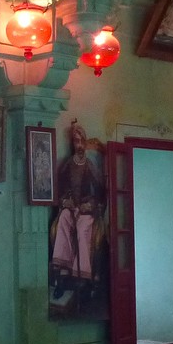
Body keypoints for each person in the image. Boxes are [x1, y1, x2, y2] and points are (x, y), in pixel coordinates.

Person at [50, 122, 105, 302]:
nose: (79, 145)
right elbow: (59, 190)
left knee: (82, 230)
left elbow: (100, 193)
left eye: (82, 141)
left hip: (87, 211)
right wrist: (65, 201)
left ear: (85, 142)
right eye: (76, 141)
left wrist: (90, 205)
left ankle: (82, 276)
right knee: (63, 221)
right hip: (71, 208)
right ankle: (62, 273)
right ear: (73, 143)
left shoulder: (90, 165)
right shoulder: (67, 165)